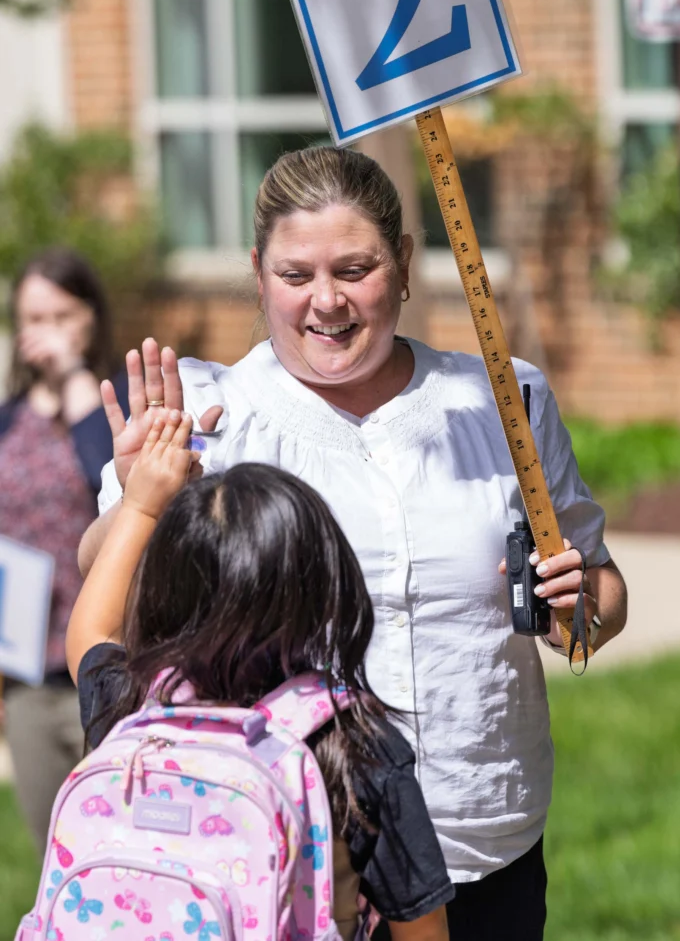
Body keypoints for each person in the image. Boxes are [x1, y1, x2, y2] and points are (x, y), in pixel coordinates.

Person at [80, 146, 628, 941]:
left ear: (404, 264)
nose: (326, 300)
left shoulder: (506, 401)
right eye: (295, 274)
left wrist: (578, 611)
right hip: (293, 864)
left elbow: (599, 602)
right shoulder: (208, 413)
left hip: (486, 843)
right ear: (257, 272)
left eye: (355, 268)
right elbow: (105, 607)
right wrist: (139, 499)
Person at [67, 408, 453, 941]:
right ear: (323, 589)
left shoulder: (135, 705)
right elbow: (423, 930)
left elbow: (92, 631)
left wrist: (140, 502)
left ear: (162, 587)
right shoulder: (353, 744)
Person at [0, 247, 128, 853]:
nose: (43, 333)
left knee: (116, 849)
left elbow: (105, 477)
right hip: (27, 672)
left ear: (92, 317)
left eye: (60, 316)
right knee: (55, 856)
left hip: (111, 665)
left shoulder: (116, 403)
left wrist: (77, 374)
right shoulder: (9, 420)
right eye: (33, 319)